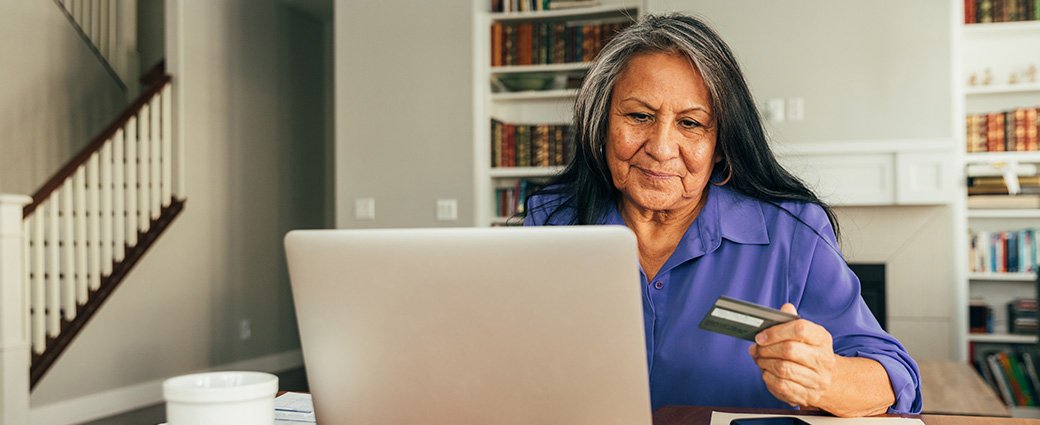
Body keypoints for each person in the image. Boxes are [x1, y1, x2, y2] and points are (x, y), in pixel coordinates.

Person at [522, 14, 922, 417]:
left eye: (690, 124)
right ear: (601, 124)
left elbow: (891, 378)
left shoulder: (792, 230)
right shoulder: (552, 220)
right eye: (639, 116)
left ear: (720, 144)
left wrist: (827, 378)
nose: (661, 147)